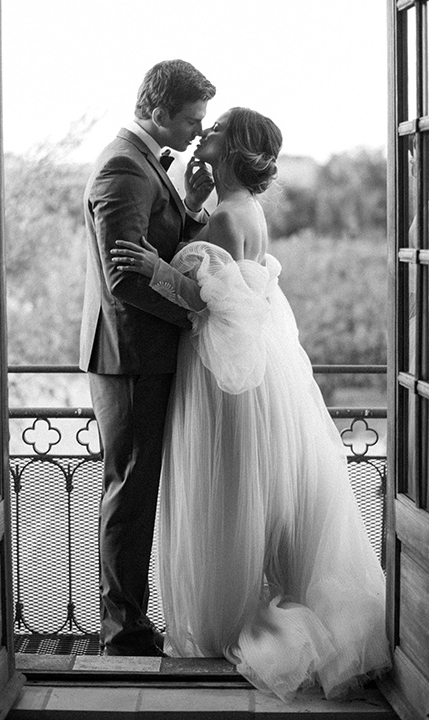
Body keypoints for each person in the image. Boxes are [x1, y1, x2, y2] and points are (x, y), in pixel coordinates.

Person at [110, 107, 392, 699]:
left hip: (224, 382)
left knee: (229, 497)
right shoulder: (240, 211)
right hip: (255, 374)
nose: (203, 133)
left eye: (213, 129)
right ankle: (257, 606)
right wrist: (190, 210)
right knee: (255, 499)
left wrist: (154, 267)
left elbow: (214, 303)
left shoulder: (229, 217)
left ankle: (240, 625)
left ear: (232, 148)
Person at [79, 59, 216, 657]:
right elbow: (124, 279)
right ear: (157, 111)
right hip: (130, 357)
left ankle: (128, 621)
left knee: (135, 490)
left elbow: (154, 248)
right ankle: (125, 633)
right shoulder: (121, 167)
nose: (194, 132)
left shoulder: (143, 167)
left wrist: (187, 207)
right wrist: (197, 312)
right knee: (130, 494)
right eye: (190, 120)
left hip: (142, 355)